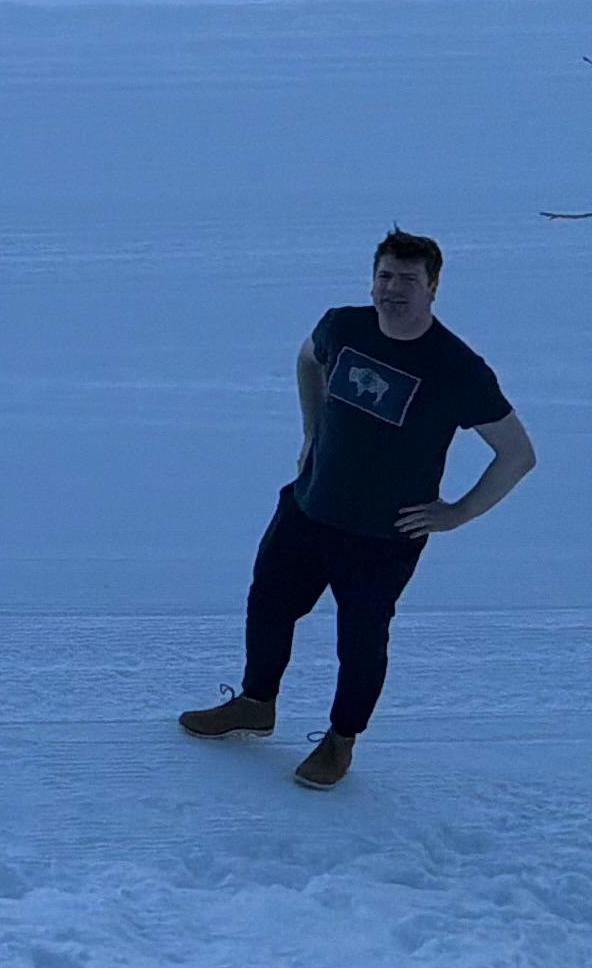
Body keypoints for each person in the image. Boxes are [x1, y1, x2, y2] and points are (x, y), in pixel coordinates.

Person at [182, 230, 536, 788]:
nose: (392, 290)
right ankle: (255, 702)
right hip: (308, 507)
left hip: (383, 537)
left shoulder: (457, 368)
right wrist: (311, 429)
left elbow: (517, 455)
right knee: (268, 604)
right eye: (385, 276)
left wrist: (457, 512)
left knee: (361, 642)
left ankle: (340, 740)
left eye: (408, 280)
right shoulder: (343, 326)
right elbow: (307, 359)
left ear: (433, 288)